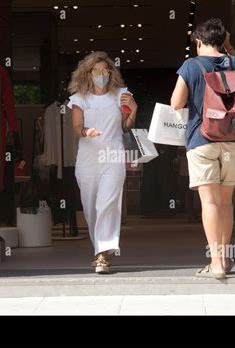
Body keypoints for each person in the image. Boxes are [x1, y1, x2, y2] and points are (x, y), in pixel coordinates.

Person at [170, 18, 235, 279]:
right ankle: (225, 258)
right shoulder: (234, 63)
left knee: (210, 202)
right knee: (226, 202)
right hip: (233, 138)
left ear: (198, 41)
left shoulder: (191, 65)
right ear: (222, 40)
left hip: (202, 139)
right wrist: (228, 47)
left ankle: (215, 263)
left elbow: (176, 103)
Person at [67, 51, 138, 274]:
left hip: (114, 156)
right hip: (88, 159)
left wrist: (133, 108)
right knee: (90, 207)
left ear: (110, 72)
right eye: (96, 71)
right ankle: (99, 248)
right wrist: (88, 131)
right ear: (87, 73)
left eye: (104, 70)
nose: (100, 74)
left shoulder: (121, 94)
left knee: (106, 204)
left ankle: (102, 255)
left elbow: (126, 125)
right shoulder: (80, 97)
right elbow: (77, 128)